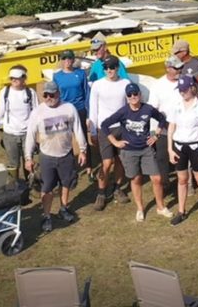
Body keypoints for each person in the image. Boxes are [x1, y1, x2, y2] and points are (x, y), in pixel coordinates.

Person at [99, 83, 173, 222]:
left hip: (146, 149)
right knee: (136, 179)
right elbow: (104, 125)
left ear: (140, 94)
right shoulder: (123, 112)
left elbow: (162, 119)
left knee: (156, 179)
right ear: (127, 97)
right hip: (129, 151)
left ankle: (160, 207)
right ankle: (140, 209)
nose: (133, 97)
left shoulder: (148, 109)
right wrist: (115, 142)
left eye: (135, 94)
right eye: (130, 95)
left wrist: (156, 135)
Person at [24, 81, 87, 234]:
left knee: (66, 184)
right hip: (47, 157)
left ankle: (63, 208)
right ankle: (46, 216)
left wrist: (83, 150)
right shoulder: (37, 112)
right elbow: (30, 136)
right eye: (45, 95)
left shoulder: (69, 108)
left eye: (52, 94)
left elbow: (78, 129)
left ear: (58, 93)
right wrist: (28, 157)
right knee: (47, 188)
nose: (49, 98)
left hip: (66, 154)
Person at [167, 75, 198, 226]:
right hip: (179, 146)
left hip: (196, 145)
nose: (182, 93)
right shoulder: (176, 105)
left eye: (184, 90)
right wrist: (170, 149)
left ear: (192, 88)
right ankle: (181, 211)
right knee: (182, 179)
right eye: (180, 90)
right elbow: (171, 128)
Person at [88, 55, 131, 210]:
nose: (109, 70)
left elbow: (129, 106)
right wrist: (92, 130)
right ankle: (101, 192)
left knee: (120, 160)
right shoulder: (98, 85)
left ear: (117, 68)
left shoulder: (125, 83)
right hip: (104, 128)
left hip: (122, 127)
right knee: (106, 162)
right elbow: (93, 108)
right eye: (106, 68)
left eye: (112, 67)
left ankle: (117, 188)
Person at [0, 66, 38, 183]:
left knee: (28, 161)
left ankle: (30, 184)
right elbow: (0, 112)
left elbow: (36, 113)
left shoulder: (30, 93)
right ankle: (15, 186)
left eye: (17, 78)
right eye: (12, 78)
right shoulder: (4, 93)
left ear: (24, 78)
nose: (14, 80)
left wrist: (38, 132)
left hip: (27, 135)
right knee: (13, 164)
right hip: (10, 135)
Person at [149, 56, 184, 187]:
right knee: (162, 156)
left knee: (182, 155)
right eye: (176, 68)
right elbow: (153, 109)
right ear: (168, 68)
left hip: (182, 126)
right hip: (164, 126)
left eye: (181, 67)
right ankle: (164, 183)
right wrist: (154, 131)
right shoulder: (158, 85)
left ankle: (185, 182)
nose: (179, 70)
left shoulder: (185, 81)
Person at [53, 49, 89, 135]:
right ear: (61, 60)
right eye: (64, 58)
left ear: (73, 59)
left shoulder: (81, 73)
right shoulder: (56, 76)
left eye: (69, 58)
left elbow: (86, 92)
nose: (67, 60)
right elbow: (55, 95)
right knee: (65, 138)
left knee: (82, 136)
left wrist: (88, 113)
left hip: (80, 109)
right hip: (64, 110)